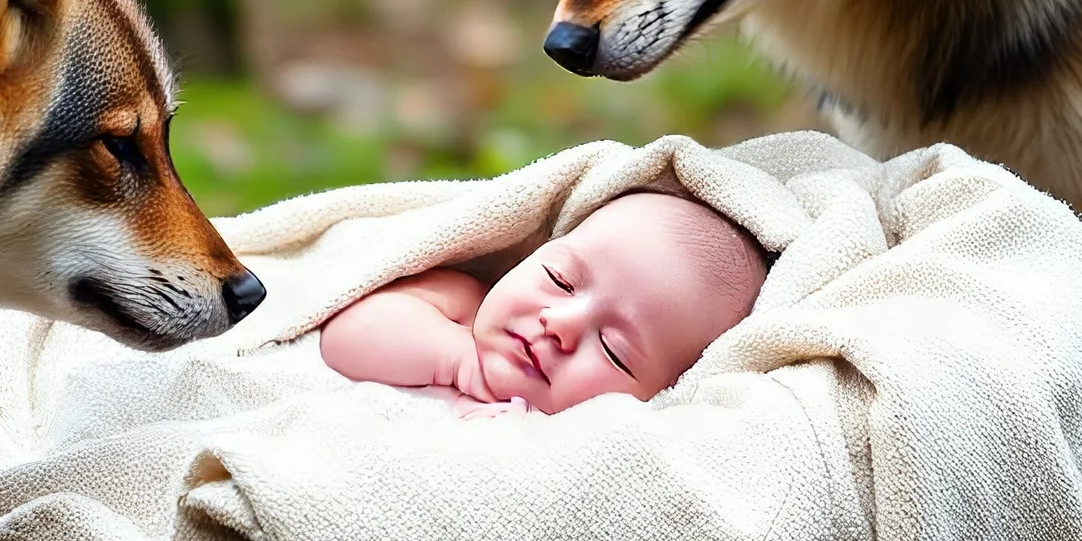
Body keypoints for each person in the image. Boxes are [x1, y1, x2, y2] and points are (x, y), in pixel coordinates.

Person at [317, 189, 768, 413]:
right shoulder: (460, 308)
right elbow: (345, 336)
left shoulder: (601, 440)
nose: (560, 323)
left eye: (614, 349)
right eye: (561, 280)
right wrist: (463, 365)